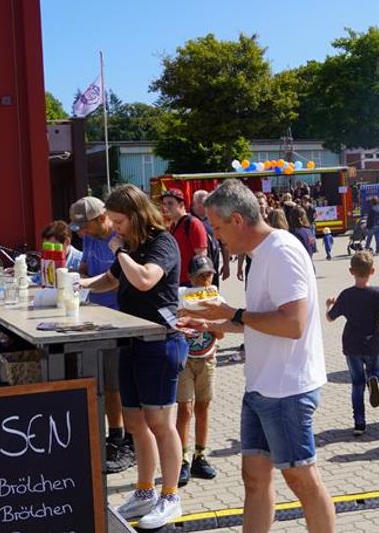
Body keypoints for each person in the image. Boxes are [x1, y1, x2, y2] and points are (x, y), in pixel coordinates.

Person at [177, 178, 335, 532]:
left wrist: (232, 314)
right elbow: (261, 321)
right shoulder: (261, 254)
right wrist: (211, 322)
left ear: (237, 220)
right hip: (263, 385)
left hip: (287, 389)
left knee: (302, 479)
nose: (216, 237)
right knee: (253, 476)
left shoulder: (281, 251)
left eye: (217, 227)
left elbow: (292, 323)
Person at [79, 184, 187, 528]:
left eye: (119, 221)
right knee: (137, 424)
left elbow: (143, 280)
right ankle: (144, 492)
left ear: (136, 215)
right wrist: (78, 285)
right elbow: (111, 279)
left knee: (160, 424)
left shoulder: (161, 243)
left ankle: (170, 495)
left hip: (160, 341)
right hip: (132, 340)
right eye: (112, 221)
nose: (115, 227)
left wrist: (121, 251)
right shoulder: (132, 245)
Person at [70, 196, 133, 474]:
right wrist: (74, 276)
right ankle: (115, 434)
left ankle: (130, 441)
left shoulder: (120, 238)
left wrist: (85, 283)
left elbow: (116, 278)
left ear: (100, 219)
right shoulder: (92, 238)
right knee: (108, 384)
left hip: (121, 318)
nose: (81, 233)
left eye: (85, 226)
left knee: (122, 384)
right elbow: (85, 266)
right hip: (96, 316)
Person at [325, 251, 379, 435]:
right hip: (372, 343)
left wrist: (329, 305)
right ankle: (374, 379)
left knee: (357, 384)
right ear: (372, 271)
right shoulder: (377, 293)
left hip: (351, 345)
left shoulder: (346, 295)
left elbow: (330, 318)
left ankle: (359, 423)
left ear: (351, 271)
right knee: (375, 371)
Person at [176, 256, 223, 487]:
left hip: (207, 358)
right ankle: (182, 458)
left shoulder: (216, 299)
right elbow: (175, 324)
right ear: (191, 277)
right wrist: (184, 314)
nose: (206, 280)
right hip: (185, 359)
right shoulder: (181, 297)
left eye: (209, 275)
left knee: (203, 406)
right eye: (201, 275)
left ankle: (200, 455)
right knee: (185, 408)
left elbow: (221, 333)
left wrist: (206, 317)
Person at [161, 188, 209, 285]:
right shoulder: (172, 226)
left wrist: (200, 284)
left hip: (191, 282)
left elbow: (202, 257)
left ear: (181, 205)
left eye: (170, 203)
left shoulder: (193, 223)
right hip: (176, 281)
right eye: (164, 204)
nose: (166, 207)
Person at [194, 190, 233, 282]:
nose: (204, 205)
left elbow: (224, 243)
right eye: (201, 202)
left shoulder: (214, 220)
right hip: (196, 269)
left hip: (212, 266)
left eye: (207, 202)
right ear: (194, 203)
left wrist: (226, 265)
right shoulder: (189, 220)